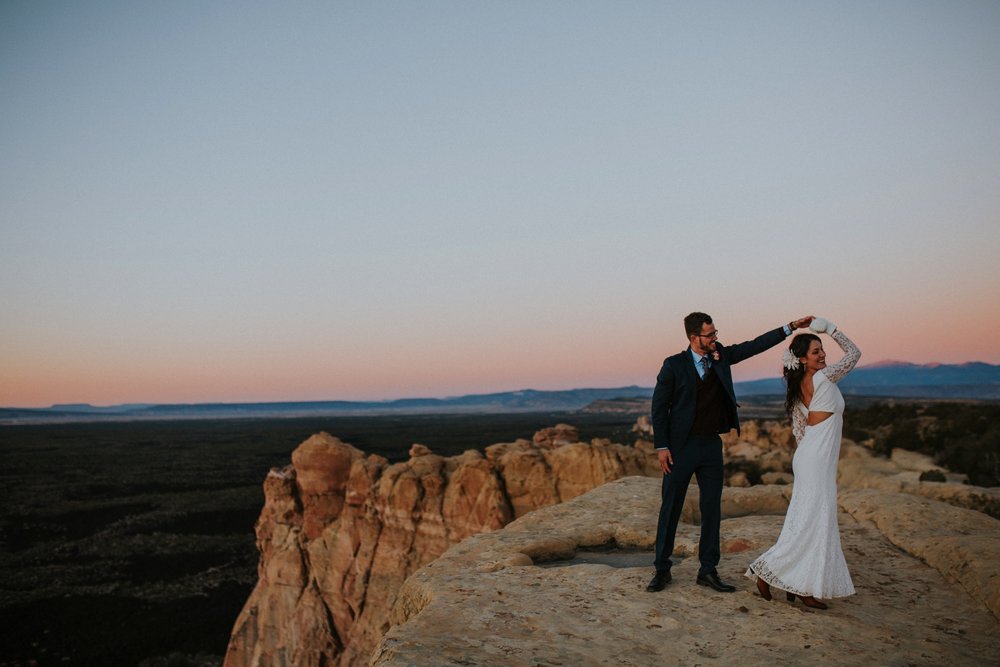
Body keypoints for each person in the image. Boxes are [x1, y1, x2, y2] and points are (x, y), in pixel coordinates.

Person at [647, 312, 815, 594]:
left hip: (711, 445)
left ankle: (708, 570)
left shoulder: (721, 355)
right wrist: (662, 447)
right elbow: (658, 407)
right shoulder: (673, 365)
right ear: (693, 338)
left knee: (712, 509)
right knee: (671, 507)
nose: (715, 338)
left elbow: (754, 345)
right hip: (680, 447)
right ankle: (662, 569)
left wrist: (789, 328)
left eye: (715, 333)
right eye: (710, 335)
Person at [745, 316, 861, 609]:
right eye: (815, 352)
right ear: (802, 360)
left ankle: (801, 585)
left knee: (812, 521)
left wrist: (810, 457)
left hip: (811, 457)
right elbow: (854, 354)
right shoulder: (823, 377)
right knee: (812, 520)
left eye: (822, 349)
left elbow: (800, 431)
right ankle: (765, 570)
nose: (822, 354)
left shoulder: (799, 387)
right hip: (815, 459)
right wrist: (831, 328)